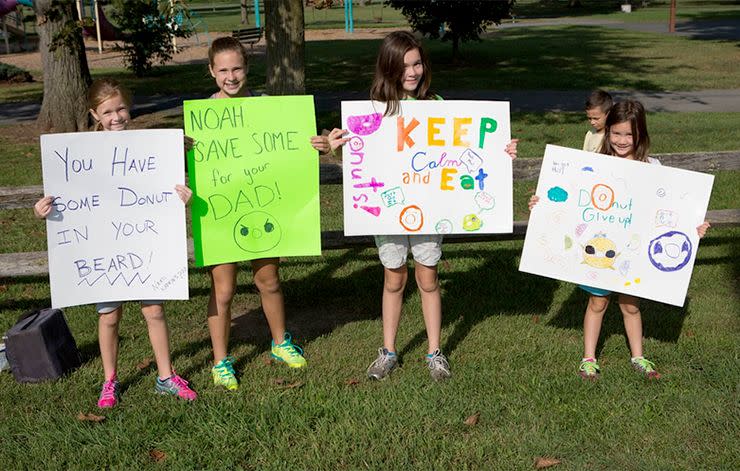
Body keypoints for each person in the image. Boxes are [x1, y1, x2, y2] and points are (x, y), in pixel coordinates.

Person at [333, 31, 518, 381]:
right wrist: (334, 145)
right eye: (404, 66)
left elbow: (469, 151)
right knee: (393, 279)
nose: (412, 72)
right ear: (388, 68)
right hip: (389, 215)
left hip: (431, 211)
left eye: (417, 63)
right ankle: (388, 351)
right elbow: (358, 160)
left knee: (428, 279)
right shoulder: (373, 111)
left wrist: (500, 149)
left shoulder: (438, 107)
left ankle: (434, 352)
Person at [33, 78, 196, 408]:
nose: (116, 117)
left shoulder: (153, 148)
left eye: (121, 108)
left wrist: (183, 196)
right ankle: (110, 381)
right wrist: (42, 210)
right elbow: (65, 197)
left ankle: (166, 376)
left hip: (145, 246)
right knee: (108, 316)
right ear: (95, 114)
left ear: (129, 107)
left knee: (154, 310)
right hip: (104, 253)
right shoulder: (78, 154)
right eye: (107, 111)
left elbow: (171, 183)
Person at [528, 100, 710, 380]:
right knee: (597, 303)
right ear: (607, 132)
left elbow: (669, 209)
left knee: (630, 305)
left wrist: (691, 228)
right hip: (599, 248)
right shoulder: (595, 165)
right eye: (616, 133)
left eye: (629, 134)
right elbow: (570, 196)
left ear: (640, 135)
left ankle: (638, 356)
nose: (622, 140)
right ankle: (589, 357)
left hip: (632, 252)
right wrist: (542, 204)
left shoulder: (653, 167)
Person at [201, 37, 344, 391]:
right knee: (223, 290)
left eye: (237, 68)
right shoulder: (202, 115)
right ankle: (220, 360)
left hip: (263, 209)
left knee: (269, 280)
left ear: (247, 69)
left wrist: (316, 146)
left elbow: (290, 153)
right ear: (211, 72)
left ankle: (280, 342)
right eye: (223, 70)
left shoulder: (270, 108)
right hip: (221, 213)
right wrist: (183, 148)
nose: (231, 76)